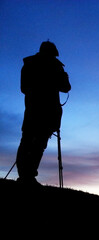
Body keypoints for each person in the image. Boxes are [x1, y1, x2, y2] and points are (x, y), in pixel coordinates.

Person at [16, 41, 71, 186]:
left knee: (27, 142)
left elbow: (24, 88)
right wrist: (60, 75)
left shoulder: (28, 64)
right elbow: (66, 87)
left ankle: (25, 176)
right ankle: (27, 177)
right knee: (37, 143)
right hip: (46, 112)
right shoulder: (54, 67)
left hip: (33, 110)